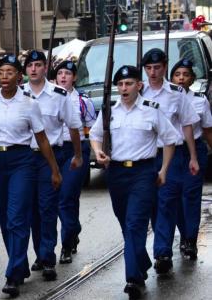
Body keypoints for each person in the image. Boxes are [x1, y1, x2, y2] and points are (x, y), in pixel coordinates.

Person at [0, 55, 62, 297]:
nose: (4, 76)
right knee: (4, 218)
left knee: (16, 218)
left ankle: (13, 274)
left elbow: (42, 138)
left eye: (9, 72)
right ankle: (20, 263)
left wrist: (54, 169)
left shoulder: (29, 103)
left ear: (18, 77)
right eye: (1, 72)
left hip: (22, 162)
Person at [90, 65, 178, 299]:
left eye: (128, 83)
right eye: (120, 84)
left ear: (139, 86)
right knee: (125, 223)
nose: (123, 88)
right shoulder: (109, 110)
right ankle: (141, 263)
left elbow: (171, 139)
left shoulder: (151, 110)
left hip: (143, 173)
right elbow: (95, 135)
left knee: (134, 224)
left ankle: (133, 278)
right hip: (117, 173)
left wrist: (164, 170)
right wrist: (98, 151)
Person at [22, 52, 83, 280]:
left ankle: (48, 257)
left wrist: (77, 155)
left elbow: (74, 126)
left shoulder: (58, 95)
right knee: (31, 211)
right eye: (30, 65)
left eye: (38, 65)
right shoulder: (19, 94)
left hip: (50, 157)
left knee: (47, 207)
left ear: (45, 67)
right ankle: (39, 252)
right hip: (24, 158)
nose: (34, 69)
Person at [140, 48, 200, 274]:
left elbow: (187, 124)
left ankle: (162, 252)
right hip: (145, 156)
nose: (152, 72)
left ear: (165, 67)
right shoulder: (139, 90)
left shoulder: (176, 93)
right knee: (153, 205)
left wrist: (193, 157)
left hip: (172, 155)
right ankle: (163, 242)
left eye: (156, 68)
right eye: (148, 68)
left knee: (166, 201)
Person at [54, 60, 97, 263]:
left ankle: (67, 243)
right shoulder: (49, 98)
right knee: (56, 200)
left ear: (75, 77)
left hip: (76, 150)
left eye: (67, 73)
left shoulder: (82, 100)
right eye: (60, 73)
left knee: (67, 196)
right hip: (53, 151)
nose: (63, 77)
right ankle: (73, 231)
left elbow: (91, 129)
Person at [170, 59, 212, 259]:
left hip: (194, 151)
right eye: (177, 74)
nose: (181, 78)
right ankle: (185, 232)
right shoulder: (164, 99)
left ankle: (190, 240)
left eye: (185, 74)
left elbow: (207, 131)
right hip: (172, 153)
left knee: (191, 196)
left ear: (192, 78)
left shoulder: (200, 100)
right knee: (175, 197)